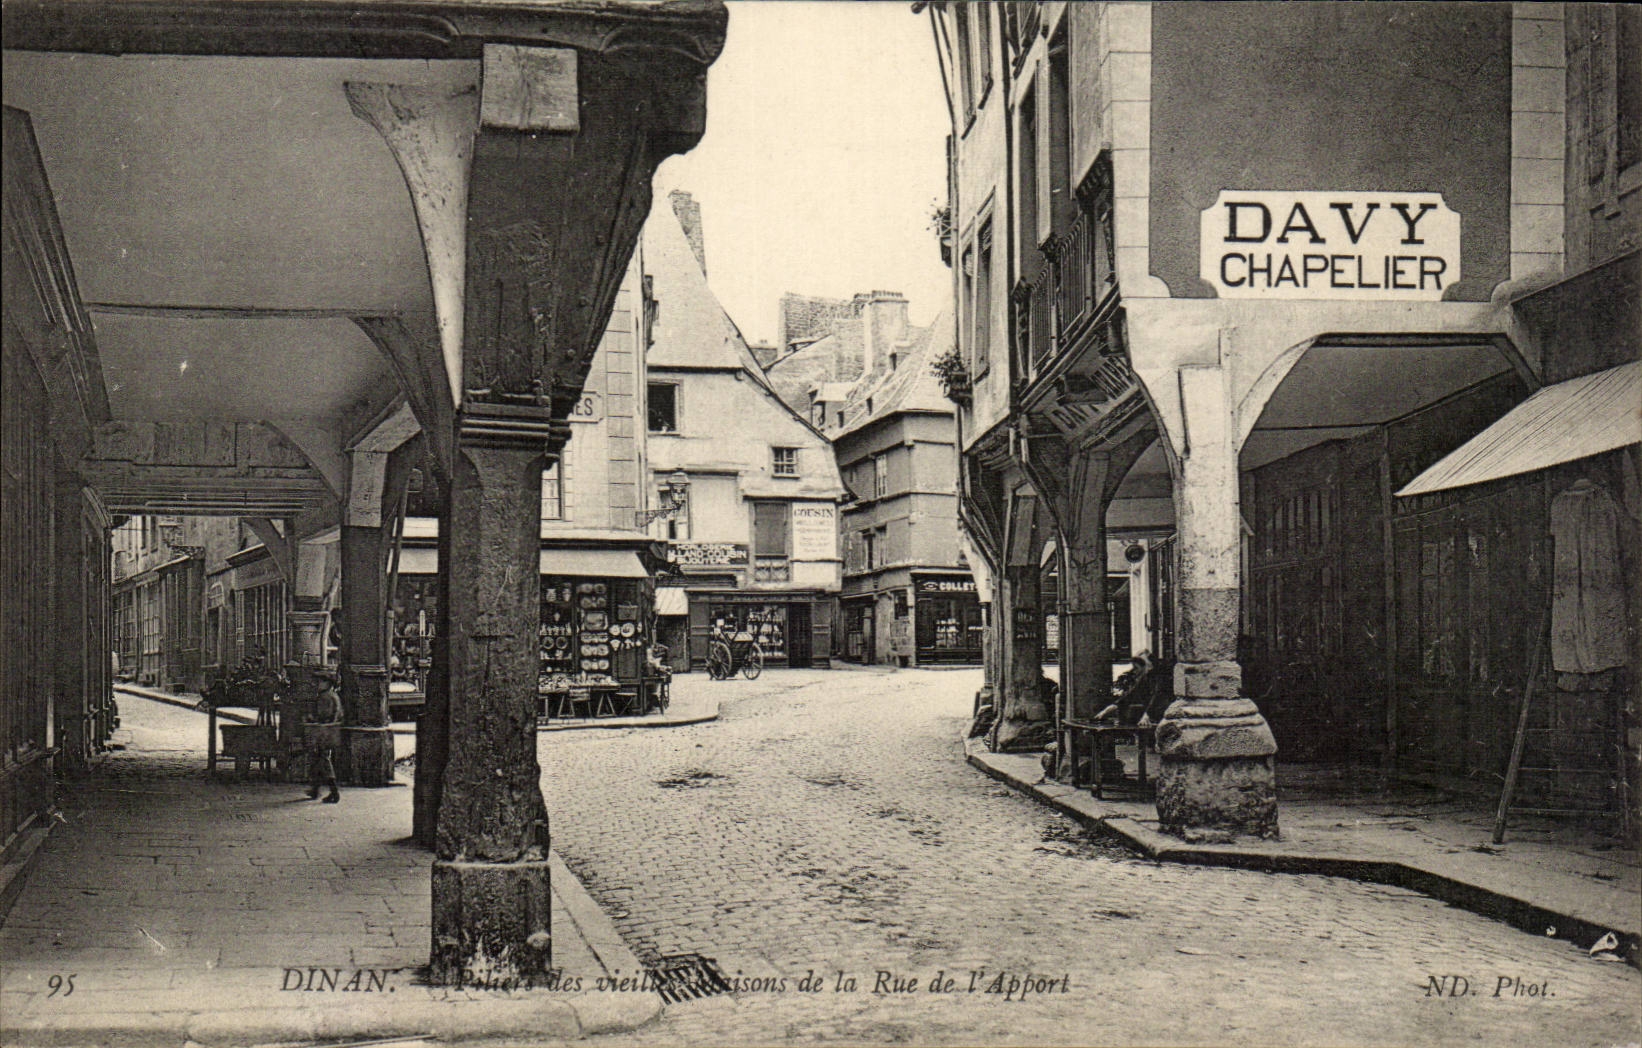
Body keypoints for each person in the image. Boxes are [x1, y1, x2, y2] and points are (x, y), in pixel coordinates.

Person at [305, 667, 343, 803]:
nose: (318, 684)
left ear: (328, 683)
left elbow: (323, 716)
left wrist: (311, 718)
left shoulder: (324, 697)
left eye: (321, 681)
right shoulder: (333, 695)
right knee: (319, 760)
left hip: (323, 733)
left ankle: (334, 792)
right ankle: (315, 789)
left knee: (323, 760)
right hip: (330, 732)